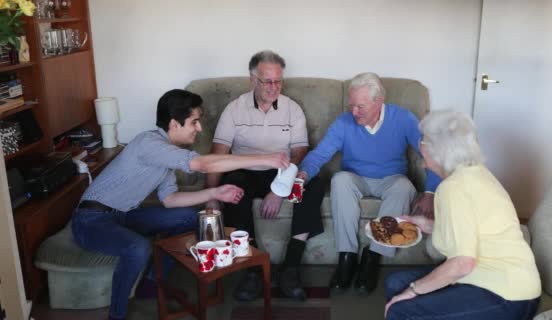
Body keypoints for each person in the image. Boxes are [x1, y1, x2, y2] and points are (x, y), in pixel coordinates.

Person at [71, 89, 289, 320]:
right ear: (174, 123)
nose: (199, 128)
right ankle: (117, 315)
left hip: (126, 215)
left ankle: (152, 283)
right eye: (194, 122)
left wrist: (215, 192)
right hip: (91, 220)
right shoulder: (149, 143)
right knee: (137, 248)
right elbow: (203, 164)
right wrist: (265, 158)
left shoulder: (166, 153)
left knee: (189, 217)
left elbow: (170, 199)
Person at [383, 110, 541, 320]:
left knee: (400, 310)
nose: (420, 151)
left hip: (505, 295)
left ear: (440, 151)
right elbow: (465, 231)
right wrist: (424, 224)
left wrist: (413, 291)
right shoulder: (475, 172)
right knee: (395, 283)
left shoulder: (453, 188)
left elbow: (462, 263)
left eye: (424, 143)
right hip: (490, 279)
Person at [298, 72, 441, 294]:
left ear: (379, 101)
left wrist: (430, 192)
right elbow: (320, 154)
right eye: (351, 105)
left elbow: (431, 153)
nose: (354, 112)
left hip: (392, 179)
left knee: (405, 187)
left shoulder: (403, 118)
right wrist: (302, 175)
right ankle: (347, 256)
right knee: (339, 180)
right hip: (355, 178)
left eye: (360, 107)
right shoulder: (343, 122)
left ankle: (372, 257)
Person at [205, 50, 325, 301]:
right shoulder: (234, 109)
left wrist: (280, 189)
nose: (274, 87)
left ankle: (291, 267)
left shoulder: (292, 109)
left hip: (281, 172)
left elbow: (301, 150)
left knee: (316, 184)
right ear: (252, 81)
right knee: (232, 186)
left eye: (278, 81)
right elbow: (218, 153)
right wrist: (212, 197)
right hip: (245, 171)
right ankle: (253, 270)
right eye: (267, 81)